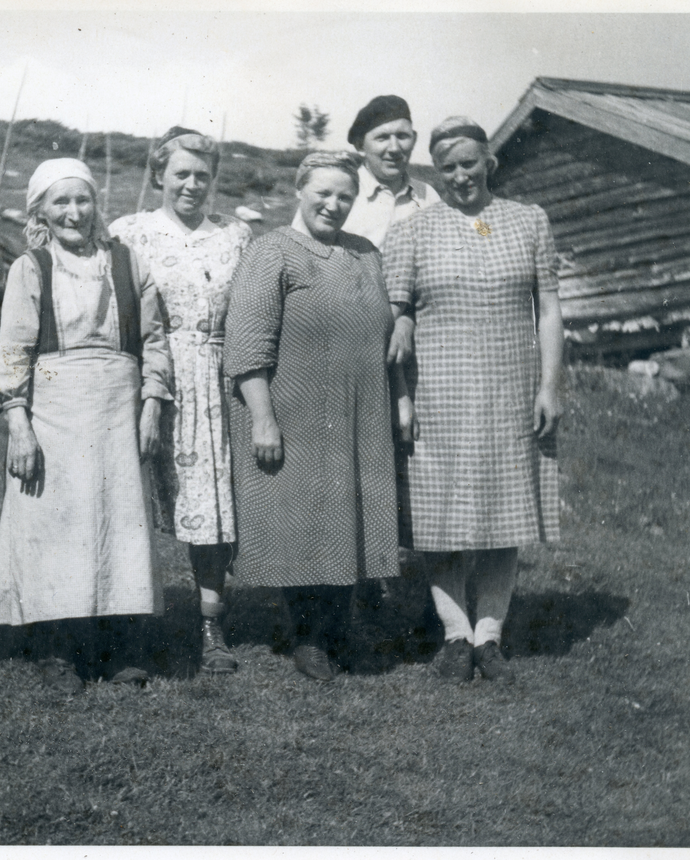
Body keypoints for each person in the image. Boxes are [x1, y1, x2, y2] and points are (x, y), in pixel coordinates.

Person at [382, 117, 563, 684]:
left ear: (489, 161)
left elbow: (550, 309)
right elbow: (394, 311)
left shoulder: (529, 221)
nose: (459, 176)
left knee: (505, 514)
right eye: (447, 167)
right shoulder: (414, 229)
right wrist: (403, 389)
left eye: (468, 163)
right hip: (439, 390)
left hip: (512, 388)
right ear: (436, 171)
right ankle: (454, 635)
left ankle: (490, 637)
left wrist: (550, 385)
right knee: (440, 518)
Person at [0, 158, 174, 694]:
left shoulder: (127, 263)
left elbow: (155, 339)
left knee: (120, 526)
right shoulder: (32, 268)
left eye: (82, 200)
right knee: (55, 526)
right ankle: (57, 649)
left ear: (96, 205)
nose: (73, 212)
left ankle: (120, 648)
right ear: (41, 210)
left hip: (118, 409)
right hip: (54, 411)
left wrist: (152, 403)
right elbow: (16, 350)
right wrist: (19, 424)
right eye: (60, 202)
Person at [223, 151, 411, 682]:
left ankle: (339, 630)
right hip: (294, 407)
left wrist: (399, 395)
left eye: (345, 196)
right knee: (304, 523)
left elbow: (385, 334)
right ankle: (308, 637)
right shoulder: (271, 252)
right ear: (299, 191)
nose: (334, 204)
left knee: (349, 517)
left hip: (360, 410)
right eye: (323, 193)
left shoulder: (365, 254)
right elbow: (246, 345)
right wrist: (263, 418)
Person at [110, 127, 253, 675]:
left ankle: (211, 624)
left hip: (217, 383)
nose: (193, 185)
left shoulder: (235, 235)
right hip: (150, 379)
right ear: (159, 177)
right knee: (134, 505)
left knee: (212, 514)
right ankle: (131, 625)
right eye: (181, 174)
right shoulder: (130, 232)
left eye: (203, 176)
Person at [342, 94, 437, 368]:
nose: (394, 148)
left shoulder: (427, 196)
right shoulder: (341, 192)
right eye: (382, 138)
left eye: (403, 137)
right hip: (347, 335)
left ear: (415, 139)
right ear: (361, 144)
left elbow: (437, 272)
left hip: (412, 344)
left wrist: (407, 319)